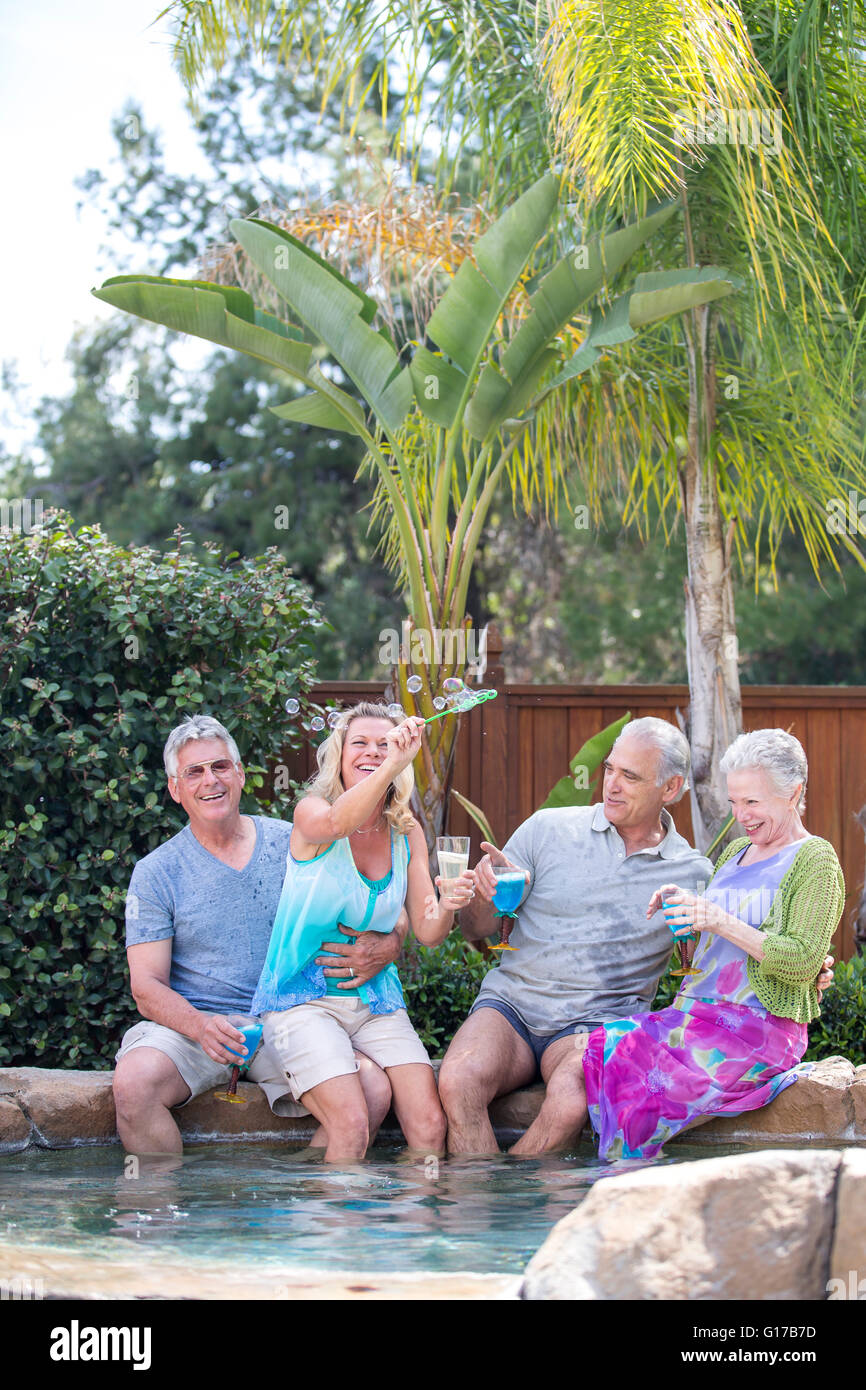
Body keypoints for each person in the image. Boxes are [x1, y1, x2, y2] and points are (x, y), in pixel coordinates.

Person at [438, 717, 834, 1157]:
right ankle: (479, 1211)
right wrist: (482, 897)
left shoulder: (696, 871)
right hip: (514, 1006)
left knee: (572, 1099)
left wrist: (810, 967)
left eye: (630, 776)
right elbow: (478, 929)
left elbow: (737, 939)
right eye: (609, 769)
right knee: (457, 1081)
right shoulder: (548, 828)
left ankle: (522, 1206)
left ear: (670, 788)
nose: (611, 785)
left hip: (601, 1021)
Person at [114, 715, 401, 1156]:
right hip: (198, 1029)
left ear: (241, 775)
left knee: (373, 1089)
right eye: (194, 772)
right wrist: (201, 1025)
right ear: (175, 789)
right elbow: (146, 986)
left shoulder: (294, 842)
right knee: (134, 1085)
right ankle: (163, 1211)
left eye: (220, 767)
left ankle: (302, 1199)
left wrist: (391, 942)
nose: (210, 780)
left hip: (291, 1018)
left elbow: (377, 900)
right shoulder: (155, 873)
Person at [581, 728, 845, 1160]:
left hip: (755, 1027)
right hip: (694, 1016)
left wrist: (718, 919)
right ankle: (619, 1182)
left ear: (793, 792)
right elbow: (716, 944)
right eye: (735, 802)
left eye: (753, 802)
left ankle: (622, 1189)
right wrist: (686, 911)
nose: (742, 815)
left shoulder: (814, 859)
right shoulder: (736, 851)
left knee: (640, 1094)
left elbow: (801, 960)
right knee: (604, 1047)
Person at [251, 702, 474, 1162]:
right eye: (361, 743)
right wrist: (394, 761)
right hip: (303, 1002)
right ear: (339, 753)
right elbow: (340, 822)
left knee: (431, 1127)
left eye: (385, 743)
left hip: (375, 1001)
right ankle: (336, 1232)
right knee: (350, 1127)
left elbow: (429, 932)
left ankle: (414, 1231)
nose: (373, 751)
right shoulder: (312, 813)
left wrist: (449, 905)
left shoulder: (404, 831)